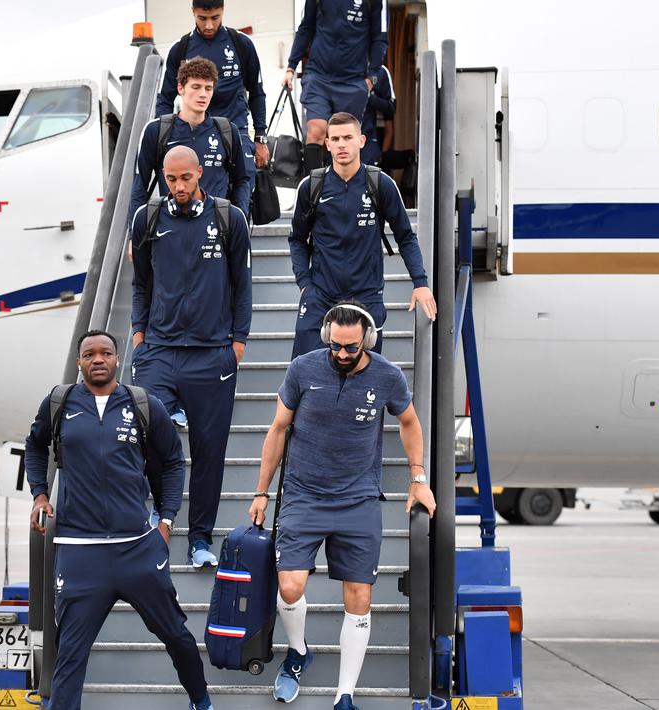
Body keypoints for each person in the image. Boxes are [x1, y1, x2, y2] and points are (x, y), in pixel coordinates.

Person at [248, 302, 437, 709]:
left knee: (359, 597)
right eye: (336, 346)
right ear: (326, 338)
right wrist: (261, 491)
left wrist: (417, 478)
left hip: (358, 500)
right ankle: (298, 651)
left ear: (366, 340)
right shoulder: (302, 368)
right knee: (289, 586)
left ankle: (344, 695)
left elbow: (409, 422)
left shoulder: (387, 375)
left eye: (351, 348)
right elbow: (278, 428)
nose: (342, 354)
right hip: (303, 495)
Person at [25, 330, 214, 710]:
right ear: (79, 362)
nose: (98, 359)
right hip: (80, 552)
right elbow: (35, 444)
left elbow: (174, 461)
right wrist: (40, 494)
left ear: (117, 359)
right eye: (89, 354)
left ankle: (201, 701)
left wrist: (166, 522)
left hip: (137, 548)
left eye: (106, 353)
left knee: (177, 635)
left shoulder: (143, 403)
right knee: (71, 655)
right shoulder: (59, 403)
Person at [130, 145, 252, 568]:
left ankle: (200, 538)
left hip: (213, 355)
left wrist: (237, 344)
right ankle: (156, 513)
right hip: (159, 351)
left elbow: (243, 284)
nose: (178, 186)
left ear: (200, 173)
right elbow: (141, 282)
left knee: (209, 451)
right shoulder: (147, 219)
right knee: (148, 430)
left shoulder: (228, 218)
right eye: (171, 179)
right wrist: (138, 332)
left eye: (186, 178)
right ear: (163, 177)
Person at [289, 112, 436, 360]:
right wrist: (305, 284)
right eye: (335, 139)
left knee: (363, 381)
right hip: (321, 296)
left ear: (362, 141)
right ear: (327, 144)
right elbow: (297, 240)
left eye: (348, 137)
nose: (341, 144)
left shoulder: (380, 183)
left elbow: (406, 237)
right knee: (306, 375)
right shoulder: (311, 186)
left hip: (367, 296)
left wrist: (420, 283)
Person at [131, 56, 252, 222]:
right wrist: (134, 235)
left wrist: (239, 218)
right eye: (196, 87)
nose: (203, 94)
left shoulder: (227, 131)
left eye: (208, 88)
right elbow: (139, 187)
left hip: (216, 230)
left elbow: (242, 180)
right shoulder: (157, 131)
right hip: (171, 228)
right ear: (181, 88)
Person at [157, 0, 269, 177]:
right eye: (202, 18)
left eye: (215, 17)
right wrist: (164, 139)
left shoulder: (241, 43)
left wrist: (261, 138)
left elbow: (257, 93)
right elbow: (164, 100)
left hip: (236, 131)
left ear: (223, 11)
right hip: (192, 135)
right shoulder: (180, 49)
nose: (209, 25)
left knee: (245, 187)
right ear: (193, 12)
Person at [283, 0, 388, 172]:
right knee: (316, 130)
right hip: (319, 75)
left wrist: (372, 78)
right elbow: (305, 28)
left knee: (344, 139)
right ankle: (313, 193)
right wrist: (291, 67)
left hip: (353, 81)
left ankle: (344, 191)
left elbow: (380, 38)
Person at [360, 64, 395, 166]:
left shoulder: (381, 71)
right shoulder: (336, 67)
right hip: (340, 139)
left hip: (369, 140)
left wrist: (369, 96)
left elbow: (391, 108)